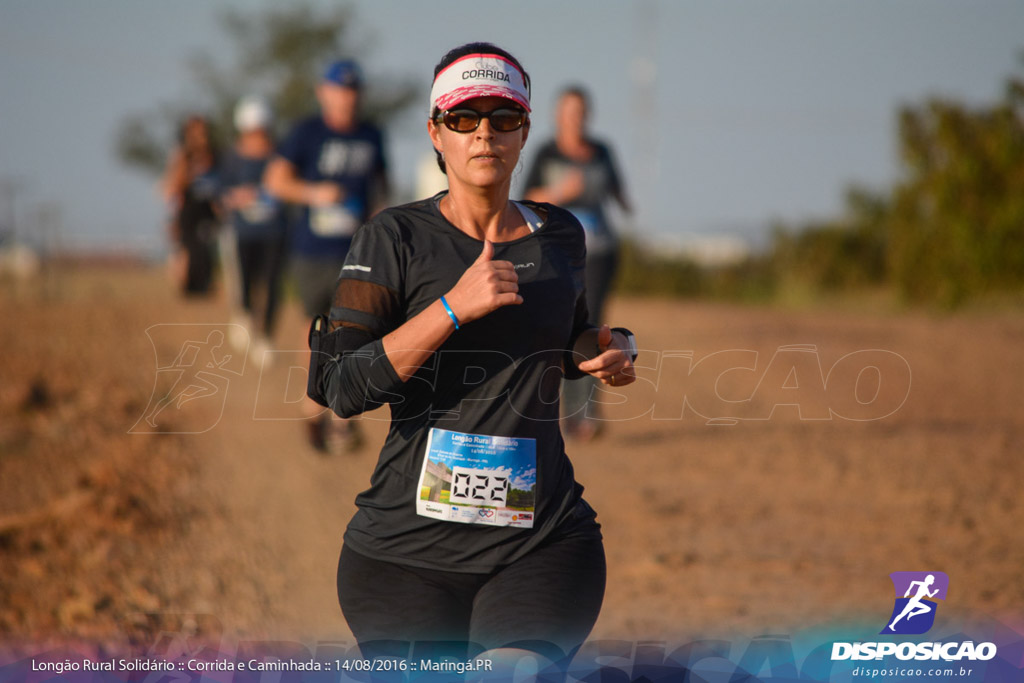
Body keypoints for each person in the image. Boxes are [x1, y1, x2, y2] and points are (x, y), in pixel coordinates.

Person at [306, 42, 640, 661]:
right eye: (463, 118)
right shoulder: (391, 238)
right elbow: (341, 388)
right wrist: (452, 308)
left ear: (524, 132)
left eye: (503, 117)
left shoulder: (562, 234)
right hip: (402, 556)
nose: (484, 133)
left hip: (539, 546)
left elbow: (563, 344)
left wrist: (611, 347)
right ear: (436, 132)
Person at [264, 59, 389, 452]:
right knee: (316, 333)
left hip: (357, 253)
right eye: (340, 90)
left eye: (354, 91)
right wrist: (315, 193)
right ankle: (313, 405)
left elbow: (381, 188)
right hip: (312, 252)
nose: (347, 99)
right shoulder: (306, 133)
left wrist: (381, 229)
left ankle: (339, 418)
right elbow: (275, 181)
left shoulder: (372, 135)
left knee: (354, 334)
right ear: (323, 92)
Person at [524, 86, 632, 442]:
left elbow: (617, 191)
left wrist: (627, 204)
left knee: (596, 330)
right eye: (568, 112)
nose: (575, 119)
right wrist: (560, 193)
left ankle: (588, 414)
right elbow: (526, 200)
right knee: (562, 328)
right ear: (557, 115)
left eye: (581, 112)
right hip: (558, 254)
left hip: (600, 253)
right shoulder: (545, 153)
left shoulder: (602, 151)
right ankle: (566, 415)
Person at [218, 96, 287, 361]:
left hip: (275, 234)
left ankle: (265, 337)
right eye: (252, 131)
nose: (258, 137)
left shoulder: (281, 155)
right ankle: (244, 317)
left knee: (272, 285)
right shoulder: (232, 158)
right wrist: (238, 196)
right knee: (245, 284)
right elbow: (221, 193)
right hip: (243, 234)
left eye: (262, 130)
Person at [161, 115, 220, 296]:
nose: (201, 136)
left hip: (207, 211)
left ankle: (205, 288)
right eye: (196, 133)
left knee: (206, 253)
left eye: (203, 132)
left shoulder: (215, 156)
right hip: (187, 212)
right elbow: (171, 189)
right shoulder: (181, 157)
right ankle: (186, 290)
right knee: (186, 252)